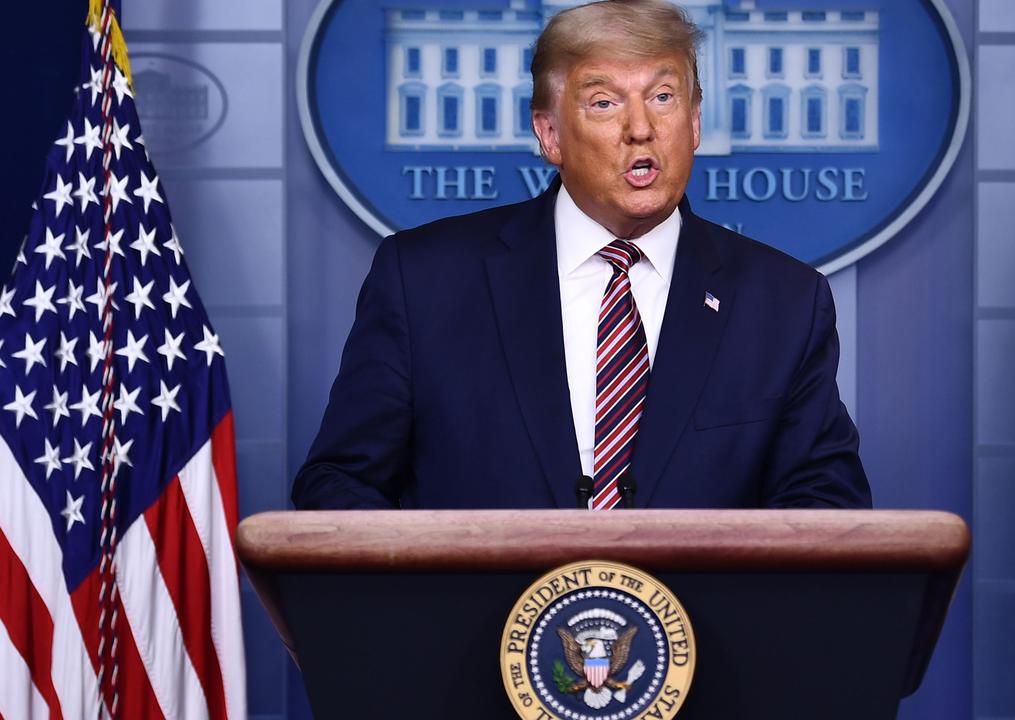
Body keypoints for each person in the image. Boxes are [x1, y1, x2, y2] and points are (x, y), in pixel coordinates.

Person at [292, 0, 871, 510]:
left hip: (705, 633)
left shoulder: (785, 300)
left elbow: (825, 506)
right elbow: (339, 485)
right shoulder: (424, 280)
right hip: (479, 632)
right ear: (549, 134)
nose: (641, 128)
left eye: (663, 97)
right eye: (603, 103)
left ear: (693, 122)